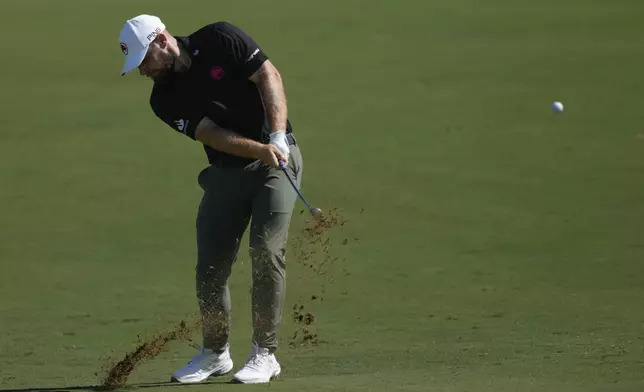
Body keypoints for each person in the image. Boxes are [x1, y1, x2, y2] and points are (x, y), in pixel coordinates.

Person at [118, 14, 303, 384]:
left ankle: (265, 355)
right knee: (210, 268)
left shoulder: (220, 38)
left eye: (143, 61)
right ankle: (215, 354)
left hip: (277, 164)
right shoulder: (162, 99)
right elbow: (212, 134)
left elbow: (269, 76)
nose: (143, 72)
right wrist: (258, 149)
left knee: (266, 253)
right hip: (227, 171)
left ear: (161, 41)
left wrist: (277, 137)